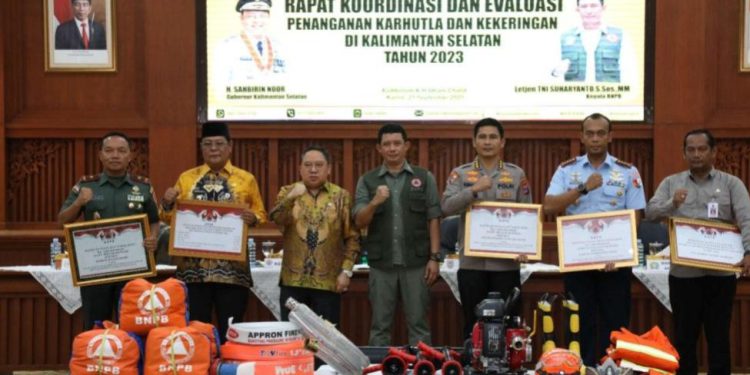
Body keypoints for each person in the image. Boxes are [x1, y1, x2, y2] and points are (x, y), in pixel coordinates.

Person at [543, 113, 646, 366]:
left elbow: (635, 217)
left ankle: (612, 369)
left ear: (610, 136)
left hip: (615, 262)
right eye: (590, 133)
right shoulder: (567, 170)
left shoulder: (627, 171)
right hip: (579, 261)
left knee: (616, 322)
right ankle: (581, 368)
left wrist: (620, 253)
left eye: (601, 133)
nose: (595, 138)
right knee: (579, 321)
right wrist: (583, 188)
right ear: (581, 137)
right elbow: (549, 206)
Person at [645, 129, 750, 375]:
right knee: (684, 339)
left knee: (719, 338)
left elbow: (746, 218)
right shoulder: (672, 183)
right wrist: (673, 203)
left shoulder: (731, 184)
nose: (696, 154)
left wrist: (749, 251)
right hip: (684, 276)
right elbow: (650, 213)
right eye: (690, 150)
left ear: (713, 152)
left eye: (702, 149)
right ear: (684, 153)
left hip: (720, 276)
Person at [160, 122, 267, 342]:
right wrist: (168, 203)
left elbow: (261, 213)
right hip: (194, 271)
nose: (214, 149)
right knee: (197, 330)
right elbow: (168, 217)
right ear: (201, 148)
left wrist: (253, 217)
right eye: (208, 144)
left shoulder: (246, 179)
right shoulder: (186, 178)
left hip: (232, 272)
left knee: (232, 329)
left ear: (230, 147)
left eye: (219, 144)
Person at [441, 118, 533, 339]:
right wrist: (473, 190)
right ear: (474, 142)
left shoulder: (516, 174)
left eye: (493, 137)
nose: (487, 142)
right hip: (472, 263)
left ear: (502, 142)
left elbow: (527, 215)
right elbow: (445, 207)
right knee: (473, 324)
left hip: (506, 264)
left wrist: (526, 250)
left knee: (508, 324)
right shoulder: (461, 174)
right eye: (482, 137)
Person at [58, 132, 159, 330]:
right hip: (96, 273)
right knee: (95, 326)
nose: (115, 155)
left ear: (130, 156)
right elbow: (62, 220)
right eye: (109, 150)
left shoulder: (143, 187)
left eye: (121, 151)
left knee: (131, 326)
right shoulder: (87, 185)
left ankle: (129, 361)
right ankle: (96, 361)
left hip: (132, 271)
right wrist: (78, 202)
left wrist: (153, 238)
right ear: (100, 155)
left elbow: (155, 221)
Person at [353, 123, 442, 346]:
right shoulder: (368, 180)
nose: (392, 148)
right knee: (380, 327)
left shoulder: (424, 177)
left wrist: (434, 257)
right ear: (379, 149)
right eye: (387, 144)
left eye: (397, 143)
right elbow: (359, 220)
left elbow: (434, 218)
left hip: (417, 264)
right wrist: (374, 202)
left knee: (419, 325)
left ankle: (423, 368)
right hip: (382, 265)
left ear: (406, 146)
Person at [269, 145, 360, 326]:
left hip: (328, 281)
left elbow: (352, 237)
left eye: (319, 165)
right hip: (293, 280)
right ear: (300, 169)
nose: (313, 170)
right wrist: (290, 198)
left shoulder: (341, 196)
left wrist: (346, 271)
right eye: (308, 165)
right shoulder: (288, 191)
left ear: (329, 169)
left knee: (324, 340)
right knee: (293, 337)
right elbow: (276, 218)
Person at [212, 0, 285, 97]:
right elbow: (220, 89)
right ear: (241, 18)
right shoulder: (227, 47)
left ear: (269, 17)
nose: (257, 21)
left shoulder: (280, 47)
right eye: (251, 16)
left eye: (262, 16)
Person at [551, 0, 635, 83]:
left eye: (594, 6)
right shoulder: (564, 38)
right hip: (575, 95)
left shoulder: (619, 35)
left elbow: (629, 73)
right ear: (577, 9)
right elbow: (552, 77)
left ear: (603, 8)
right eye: (584, 6)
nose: (589, 11)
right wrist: (556, 72)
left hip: (608, 95)